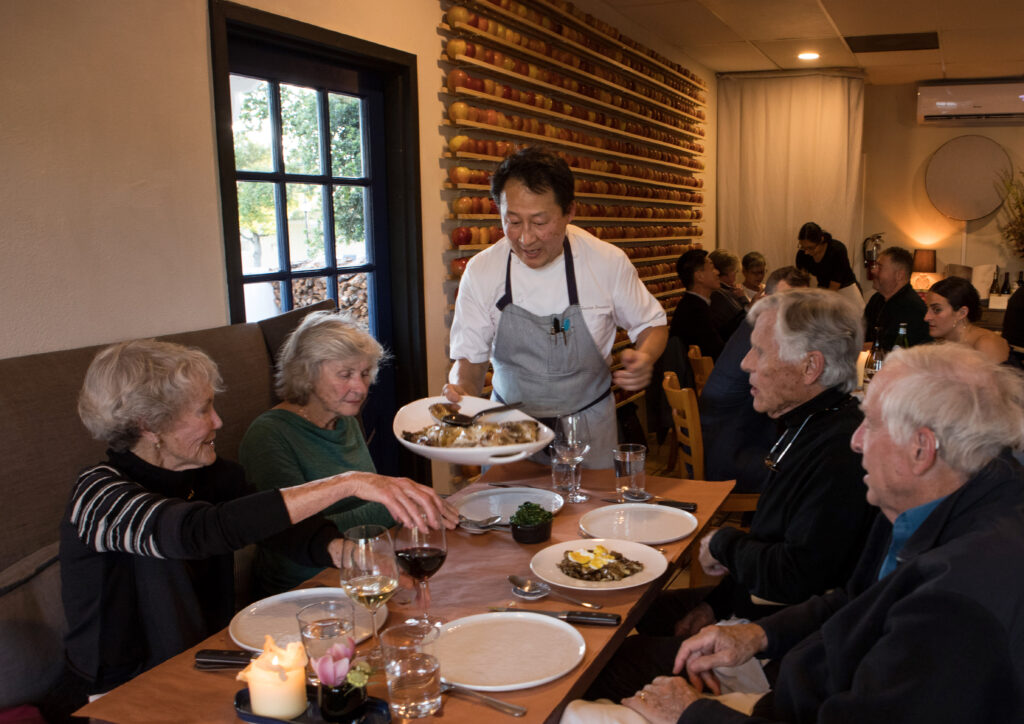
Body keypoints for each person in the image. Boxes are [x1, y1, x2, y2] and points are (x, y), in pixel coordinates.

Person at [625, 344, 1024, 724]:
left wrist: (692, 715)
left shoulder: (957, 601)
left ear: (921, 449)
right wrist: (760, 634)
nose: (856, 440)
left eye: (870, 423)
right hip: (803, 681)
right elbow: (858, 601)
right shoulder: (931, 503)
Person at [58, 339, 455, 708]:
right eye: (202, 410)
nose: (218, 421)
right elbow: (198, 532)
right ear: (149, 426)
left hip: (210, 660)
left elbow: (273, 526)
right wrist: (348, 483)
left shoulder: (211, 474)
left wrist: (348, 553)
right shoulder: (99, 494)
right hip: (122, 692)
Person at [586, 288, 875, 702]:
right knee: (634, 607)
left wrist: (723, 543)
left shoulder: (838, 452)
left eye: (760, 352)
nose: (744, 363)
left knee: (609, 663)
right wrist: (716, 605)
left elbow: (798, 576)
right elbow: (770, 543)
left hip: (786, 648)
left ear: (811, 366)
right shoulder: (806, 424)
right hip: (759, 607)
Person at [445, 147, 667, 468]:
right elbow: (470, 363)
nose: (525, 239)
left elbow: (652, 325)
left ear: (569, 212)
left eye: (539, 222)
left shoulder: (605, 261)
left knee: (589, 516)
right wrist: (460, 393)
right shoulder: (482, 271)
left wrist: (645, 356)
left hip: (588, 428)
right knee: (507, 515)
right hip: (509, 430)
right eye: (513, 221)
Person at [240, 311, 410, 595]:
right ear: (307, 374)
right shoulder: (269, 435)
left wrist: (396, 502)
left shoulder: (344, 420)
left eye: (365, 374)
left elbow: (366, 508)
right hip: (302, 589)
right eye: (345, 374)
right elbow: (292, 538)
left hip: (360, 568)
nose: (359, 387)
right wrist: (394, 502)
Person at [700, 267, 810, 493]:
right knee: (810, 471)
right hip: (731, 457)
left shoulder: (754, 323)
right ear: (767, 299)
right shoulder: (764, 335)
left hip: (720, 441)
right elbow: (789, 400)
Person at [925, 276, 1010, 364]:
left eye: (937, 310)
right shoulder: (941, 344)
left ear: (962, 313)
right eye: (927, 309)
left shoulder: (987, 344)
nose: (926, 317)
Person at [862, 246, 930, 351]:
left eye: (880, 267)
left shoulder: (913, 308)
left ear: (899, 275)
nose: (873, 271)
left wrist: (854, 347)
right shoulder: (876, 299)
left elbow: (893, 348)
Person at [669, 249, 725, 363]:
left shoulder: (695, 304)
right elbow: (718, 351)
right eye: (712, 267)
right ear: (699, 276)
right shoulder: (694, 312)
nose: (718, 272)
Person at [793, 221, 862, 308]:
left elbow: (835, 285)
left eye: (811, 248)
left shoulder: (837, 250)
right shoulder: (802, 254)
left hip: (846, 290)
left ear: (821, 240)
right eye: (803, 247)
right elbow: (802, 281)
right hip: (824, 289)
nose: (806, 252)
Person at [708, 249, 747, 341]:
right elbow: (743, 320)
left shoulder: (723, 291)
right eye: (735, 271)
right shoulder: (720, 294)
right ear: (728, 272)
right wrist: (743, 298)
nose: (736, 275)